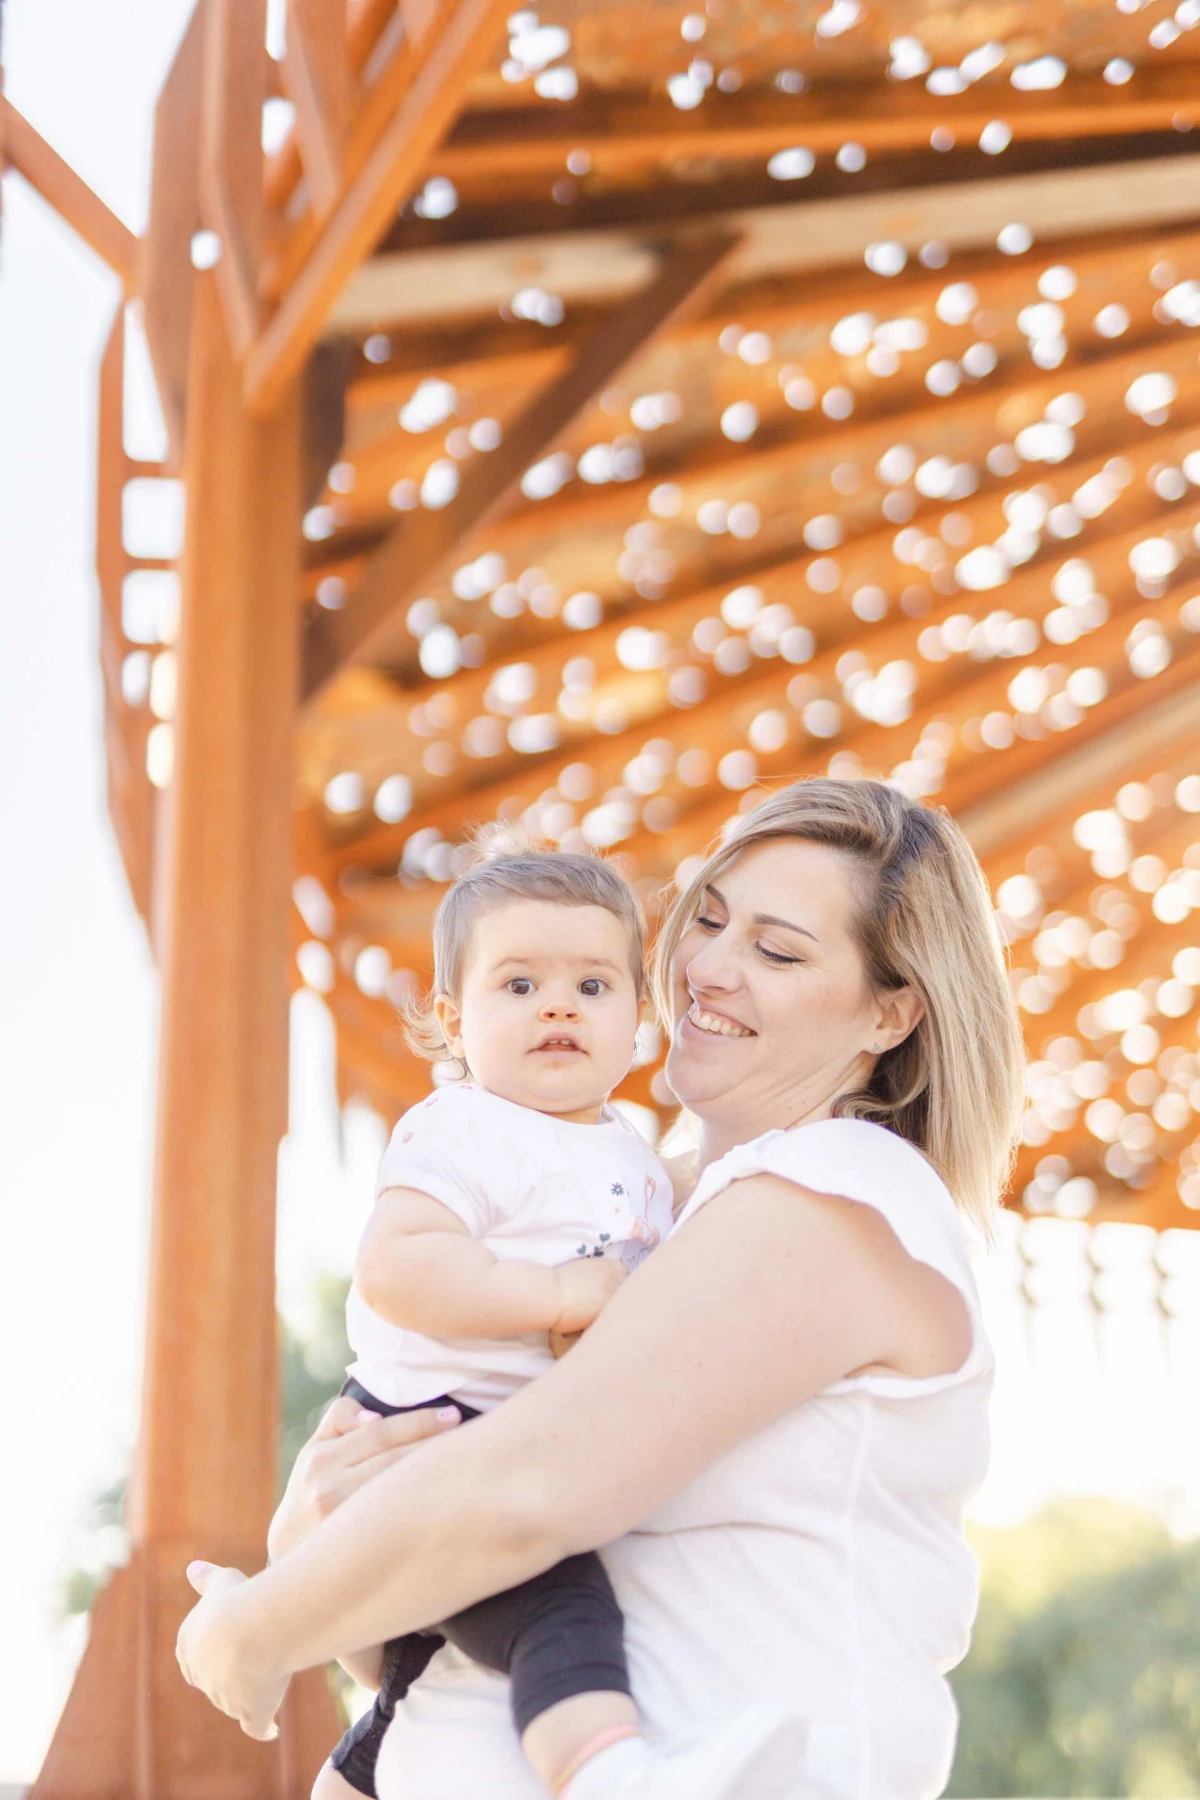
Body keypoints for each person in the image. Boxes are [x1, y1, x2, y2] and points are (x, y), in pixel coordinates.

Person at [178, 778, 1027, 1800]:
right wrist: (317, 1537)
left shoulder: (837, 1190)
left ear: (892, 1011)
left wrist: (250, 1627)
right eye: (708, 918)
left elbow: (531, 1494)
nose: (709, 967)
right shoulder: (645, 1218)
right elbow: (437, 1617)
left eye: (778, 950)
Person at [310, 836, 794, 1800]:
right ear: (454, 1018)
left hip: (522, 1452)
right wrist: (560, 1295)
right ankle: (609, 1774)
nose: (559, 1005)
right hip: (438, 1436)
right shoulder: (464, 1127)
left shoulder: (637, 1158)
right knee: (557, 1616)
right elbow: (398, 1267)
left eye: (592, 985)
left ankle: (362, 1772)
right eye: (520, 985)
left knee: (454, 1656)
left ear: (639, 1020)